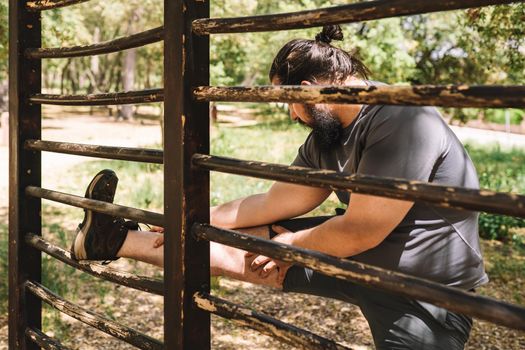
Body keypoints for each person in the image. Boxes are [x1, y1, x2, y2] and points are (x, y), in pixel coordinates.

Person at [71, 25, 488, 349]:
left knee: (267, 247)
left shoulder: (398, 118)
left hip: (424, 292)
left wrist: (291, 247)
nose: (291, 114)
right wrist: (187, 219)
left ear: (307, 90)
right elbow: (272, 202)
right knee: (224, 241)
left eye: (287, 102)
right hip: (359, 263)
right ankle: (110, 240)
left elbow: (362, 229)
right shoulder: (326, 137)